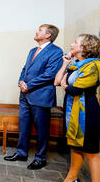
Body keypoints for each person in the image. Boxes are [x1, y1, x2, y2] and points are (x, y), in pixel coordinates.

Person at [53, 34, 100, 182]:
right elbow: (57, 81)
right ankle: (72, 177)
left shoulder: (93, 65)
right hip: (73, 110)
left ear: (85, 48)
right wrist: (65, 64)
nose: (71, 44)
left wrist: (65, 84)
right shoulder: (76, 65)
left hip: (87, 112)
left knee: (92, 153)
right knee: (75, 146)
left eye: (75, 42)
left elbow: (75, 88)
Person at [4, 24, 63, 170]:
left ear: (48, 35)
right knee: (23, 127)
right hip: (25, 95)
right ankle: (21, 153)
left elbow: (49, 74)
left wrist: (29, 84)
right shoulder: (32, 51)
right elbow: (25, 68)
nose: (36, 32)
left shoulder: (56, 51)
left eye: (40, 30)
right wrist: (21, 81)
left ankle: (41, 158)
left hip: (41, 96)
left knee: (42, 129)